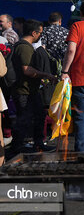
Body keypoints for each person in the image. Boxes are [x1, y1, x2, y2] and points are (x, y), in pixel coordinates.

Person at [9, 19, 57, 156]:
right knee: (24, 119)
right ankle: (17, 148)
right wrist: (46, 74)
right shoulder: (24, 47)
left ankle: (37, 144)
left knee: (39, 115)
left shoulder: (25, 46)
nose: (40, 36)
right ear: (33, 32)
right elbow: (26, 69)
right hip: (24, 91)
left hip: (29, 90)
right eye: (40, 33)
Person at [61, 2, 84, 152]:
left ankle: (82, 152)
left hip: (80, 78)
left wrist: (65, 71)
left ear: (81, 13)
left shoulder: (77, 26)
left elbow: (71, 50)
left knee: (81, 118)